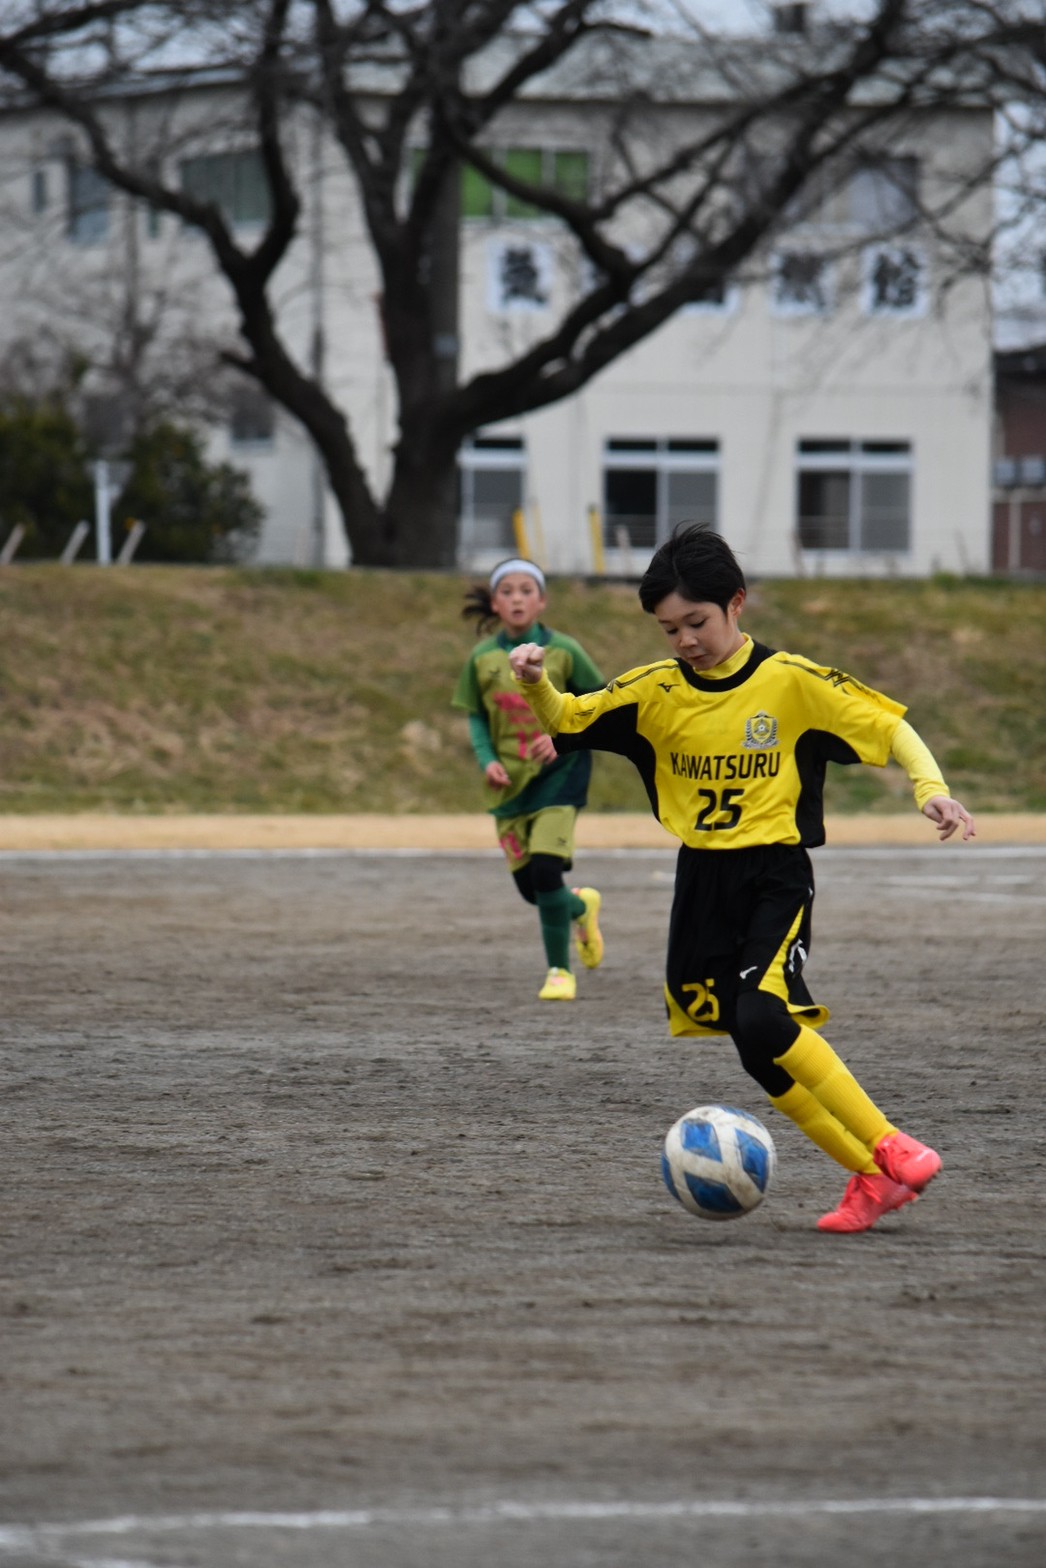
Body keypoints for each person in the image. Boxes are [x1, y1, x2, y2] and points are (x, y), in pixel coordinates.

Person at [508, 524, 976, 1233]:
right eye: (670, 629)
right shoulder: (654, 691)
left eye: (696, 621)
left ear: (737, 603)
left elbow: (891, 728)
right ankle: (871, 1181)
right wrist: (538, 682)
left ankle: (892, 1145)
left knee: (764, 1016)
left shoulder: (791, 682)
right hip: (701, 882)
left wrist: (929, 788)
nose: (685, 640)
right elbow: (571, 718)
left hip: (774, 874)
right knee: (754, 1048)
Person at [452, 557, 607, 1002]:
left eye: (526, 590)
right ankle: (581, 906)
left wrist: (565, 740)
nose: (517, 598)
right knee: (532, 890)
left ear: (542, 601)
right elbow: (478, 719)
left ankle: (559, 972)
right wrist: (486, 760)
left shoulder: (565, 651)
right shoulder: (481, 658)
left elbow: (598, 702)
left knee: (544, 871)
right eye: (507, 591)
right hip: (508, 785)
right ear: (495, 603)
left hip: (561, 775)